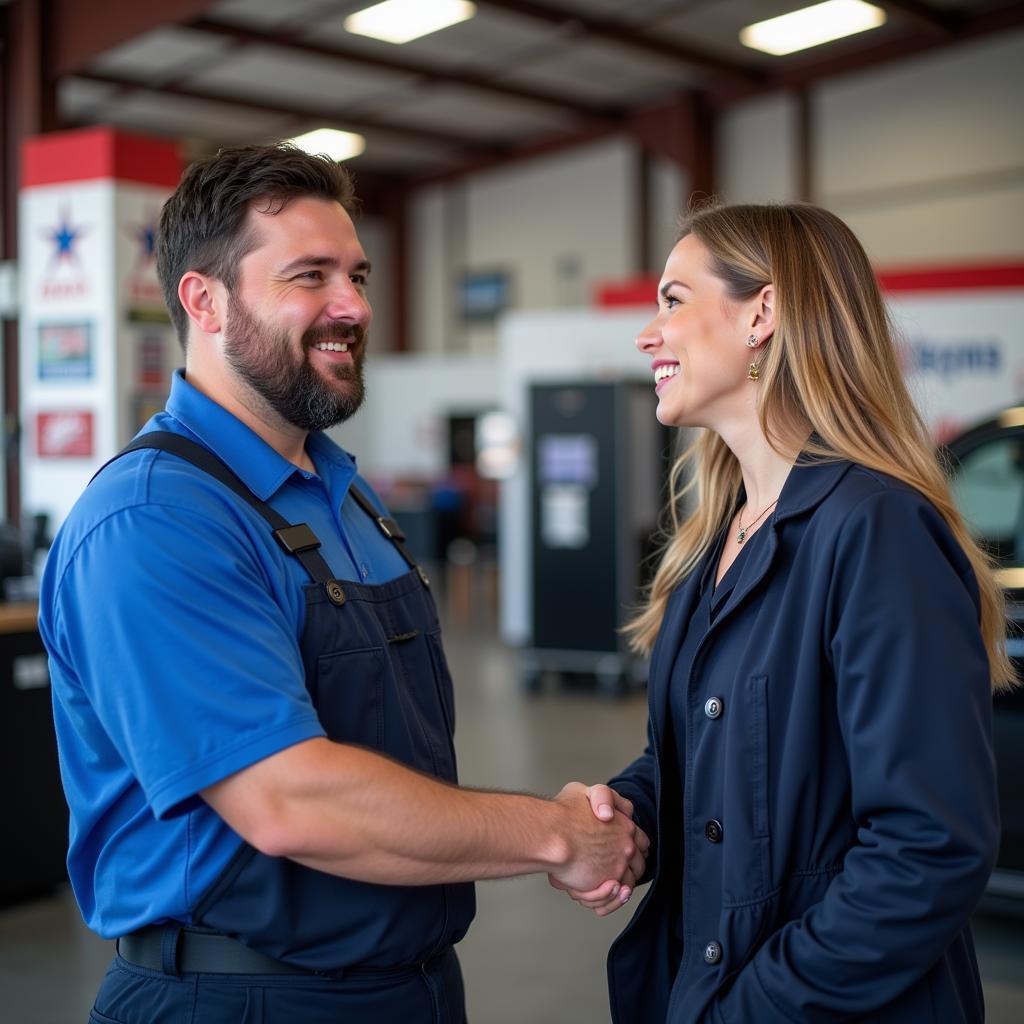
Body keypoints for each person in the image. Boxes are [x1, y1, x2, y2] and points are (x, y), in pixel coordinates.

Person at [39, 143, 646, 1024]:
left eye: (356, 274)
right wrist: (555, 834)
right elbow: (288, 799)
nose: (353, 306)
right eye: (309, 276)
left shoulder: (346, 494)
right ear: (204, 301)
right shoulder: (156, 520)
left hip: (408, 983)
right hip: (239, 997)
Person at [553, 202, 1010, 1023]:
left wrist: (752, 1007)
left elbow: (928, 851)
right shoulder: (717, 539)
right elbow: (712, 759)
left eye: (674, 299)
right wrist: (626, 816)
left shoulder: (875, 530)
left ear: (762, 312)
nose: (647, 335)